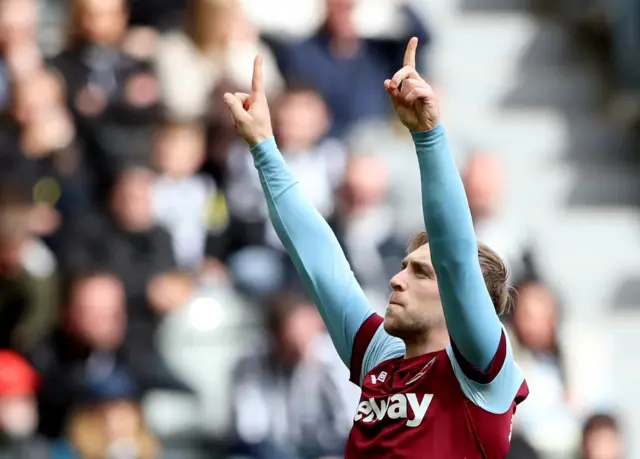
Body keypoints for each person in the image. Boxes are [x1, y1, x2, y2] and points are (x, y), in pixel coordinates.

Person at [223, 38, 528, 458]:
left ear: (461, 300)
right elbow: (321, 261)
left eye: (421, 272)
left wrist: (427, 137)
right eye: (406, 266)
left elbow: (456, 258)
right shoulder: (380, 354)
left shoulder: (478, 367)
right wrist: (264, 149)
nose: (397, 279)